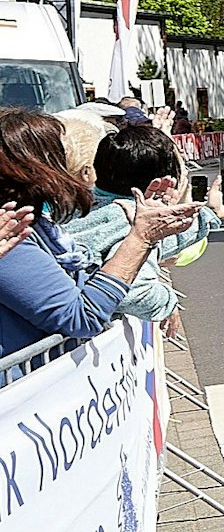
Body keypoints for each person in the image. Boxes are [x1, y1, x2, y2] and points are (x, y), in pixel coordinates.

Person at [0, 109, 196, 353]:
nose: (69, 167)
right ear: (36, 167)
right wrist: (140, 239)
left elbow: (80, 280)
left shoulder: (35, 224)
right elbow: (82, 317)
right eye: (62, 154)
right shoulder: (12, 235)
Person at [64, 121, 224, 324]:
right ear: (165, 179)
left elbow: (162, 243)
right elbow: (134, 293)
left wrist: (211, 215)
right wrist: (168, 301)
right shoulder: (133, 223)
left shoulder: (76, 204)